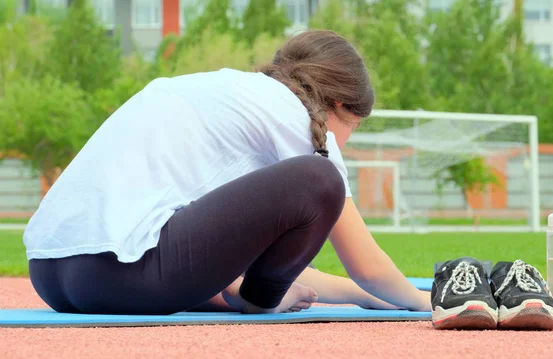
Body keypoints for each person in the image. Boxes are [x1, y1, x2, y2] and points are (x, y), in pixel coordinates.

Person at [23, 30, 432, 316]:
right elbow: (369, 267)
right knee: (322, 179)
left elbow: (234, 259)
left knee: (236, 275)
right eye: (353, 129)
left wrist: (360, 296)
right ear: (339, 105)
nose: (347, 145)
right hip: (124, 274)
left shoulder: (227, 98)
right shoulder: (296, 116)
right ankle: (259, 300)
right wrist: (423, 301)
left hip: (51, 273)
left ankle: (246, 294)